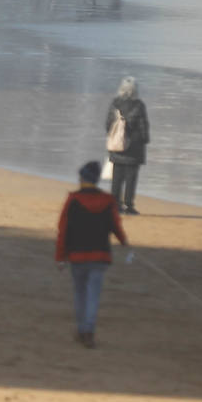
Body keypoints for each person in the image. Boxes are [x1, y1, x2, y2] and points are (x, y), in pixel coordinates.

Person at [54, 161, 129, 348]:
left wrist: (60, 257)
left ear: (83, 178)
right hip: (100, 255)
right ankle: (88, 331)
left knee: (80, 294)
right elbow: (115, 225)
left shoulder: (73, 199)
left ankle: (82, 330)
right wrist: (124, 242)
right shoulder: (108, 200)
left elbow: (63, 230)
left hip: (78, 256)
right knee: (93, 295)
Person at [105, 76, 150, 215]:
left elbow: (108, 124)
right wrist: (144, 140)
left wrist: (114, 136)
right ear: (136, 89)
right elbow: (143, 127)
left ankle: (115, 205)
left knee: (116, 178)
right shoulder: (139, 105)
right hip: (134, 148)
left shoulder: (115, 103)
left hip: (117, 146)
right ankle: (129, 205)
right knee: (131, 178)